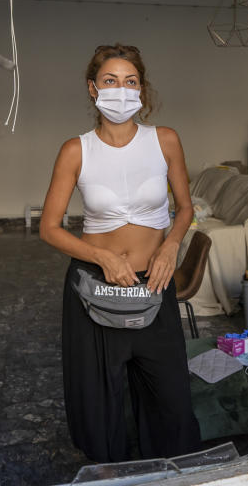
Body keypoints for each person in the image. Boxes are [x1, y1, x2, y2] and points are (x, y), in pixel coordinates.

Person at [39, 43, 201, 462]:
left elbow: (185, 208)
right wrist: (104, 258)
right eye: (110, 81)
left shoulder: (165, 141)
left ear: (142, 90)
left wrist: (170, 246)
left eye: (130, 81)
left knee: (170, 397)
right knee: (100, 400)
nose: (121, 90)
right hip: (96, 287)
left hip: (154, 283)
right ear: (93, 89)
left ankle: (168, 470)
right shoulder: (76, 150)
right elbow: (49, 228)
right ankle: (110, 472)